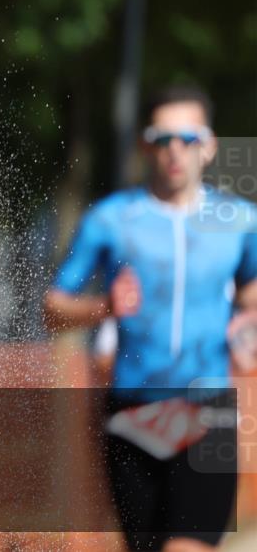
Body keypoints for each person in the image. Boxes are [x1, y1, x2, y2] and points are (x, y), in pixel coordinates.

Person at [43, 86, 257, 552]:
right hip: (133, 413)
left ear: (210, 145)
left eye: (189, 138)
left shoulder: (241, 221)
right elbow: (53, 308)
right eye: (163, 138)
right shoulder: (110, 220)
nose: (176, 151)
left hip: (207, 413)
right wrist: (105, 307)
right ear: (146, 145)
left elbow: (251, 292)